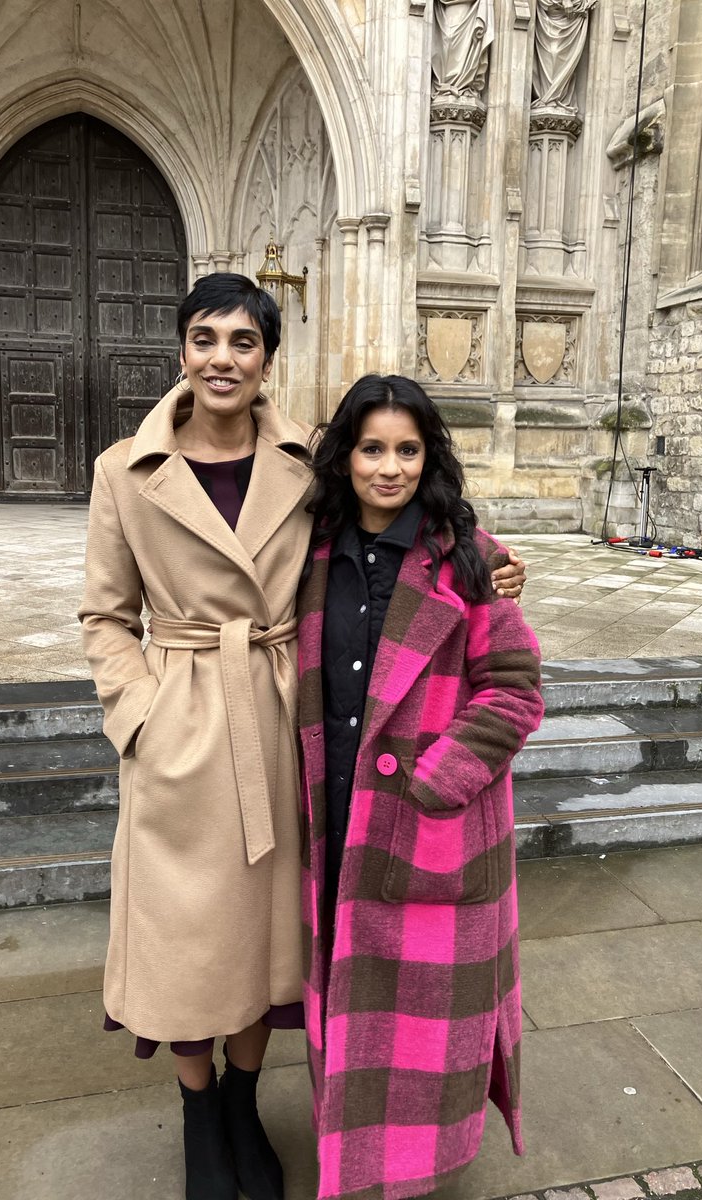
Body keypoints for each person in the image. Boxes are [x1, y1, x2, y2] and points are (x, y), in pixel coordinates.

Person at [79, 275, 527, 1200]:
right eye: (205, 339)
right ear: (180, 351)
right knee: (187, 939)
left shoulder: (301, 468)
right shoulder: (123, 469)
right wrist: (139, 713)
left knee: (266, 940)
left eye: (243, 342)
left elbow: (401, 523)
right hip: (183, 731)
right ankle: (202, 1116)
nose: (222, 359)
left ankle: (244, 1106)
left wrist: (497, 558)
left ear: (268, 359)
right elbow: (104, 615)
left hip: (286, 728)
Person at [297, 374, 544, 1200]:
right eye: (372, 448)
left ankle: (412, 1173)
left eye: (408, 449)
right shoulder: (307, 554)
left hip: (427, 825)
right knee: (345, 1004)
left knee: (423, 1027)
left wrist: (439, 779)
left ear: (428, 457)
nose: (390, 468)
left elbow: (513, 688)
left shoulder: (474, 561)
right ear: (345, 456)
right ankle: (351, 1158)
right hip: (332, 813)